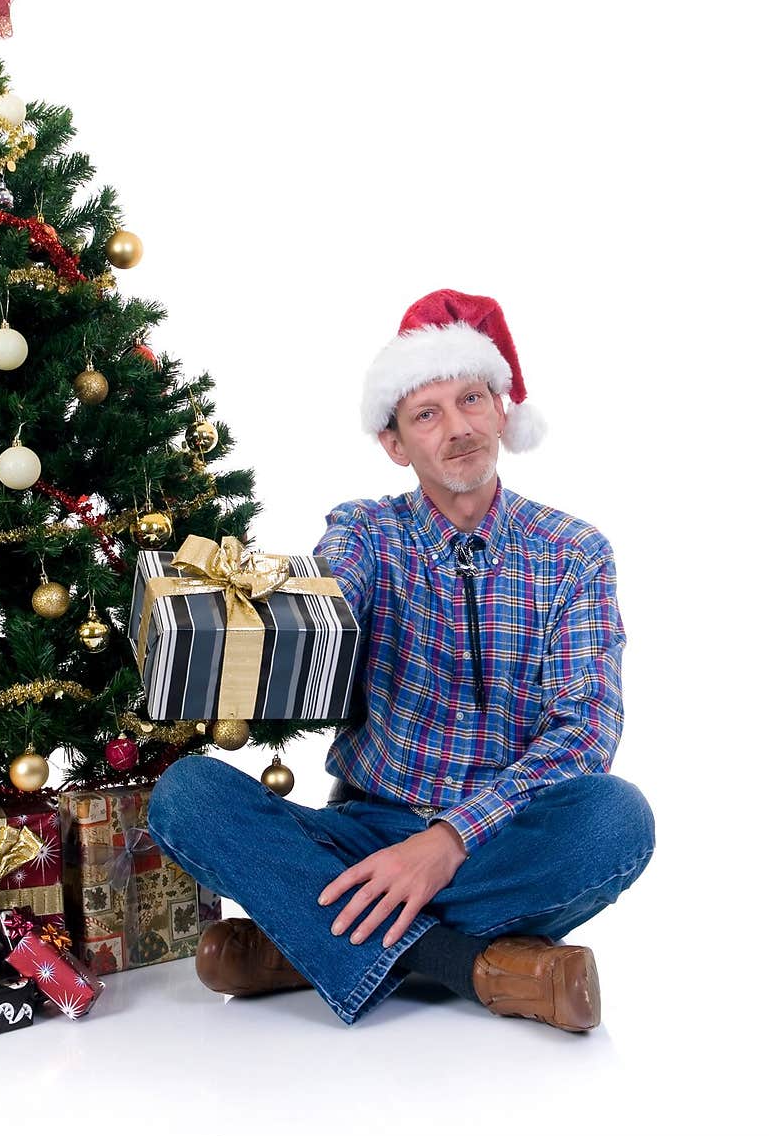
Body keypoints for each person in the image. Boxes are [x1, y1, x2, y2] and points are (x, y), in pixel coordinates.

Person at [148, 291, 655, 1031]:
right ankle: (477, 966)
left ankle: (307, 943)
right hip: (362, 836)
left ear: (501, 409)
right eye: (427, 413)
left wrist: (447, 842)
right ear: (395, 442)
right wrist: (267, 620)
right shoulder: (364, 530)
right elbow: (328, 599)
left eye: (472, 399)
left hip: (494, 840)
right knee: (186, 793)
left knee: (619, 819)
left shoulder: (575, 552)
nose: (459, 429)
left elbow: (584, 734)